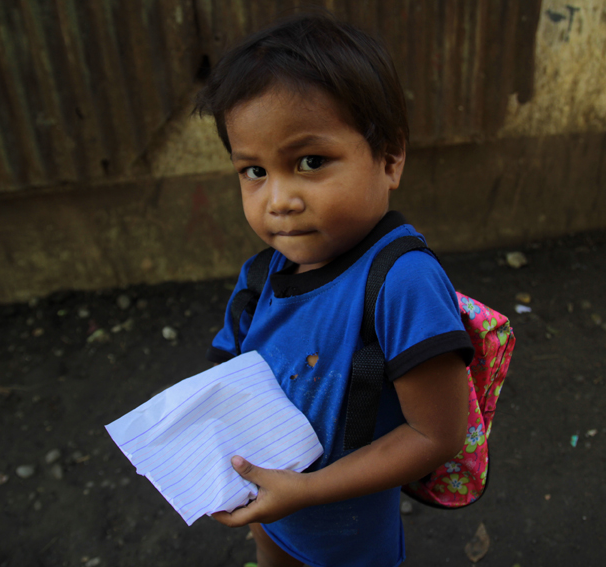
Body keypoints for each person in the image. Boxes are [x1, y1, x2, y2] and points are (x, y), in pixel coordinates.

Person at [195, 13, 473, 567]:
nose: (278, 199)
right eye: (253, 171)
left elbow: (436, 435)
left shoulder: (400, 283)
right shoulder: (262, 276)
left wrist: (310, 492)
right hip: (271, 512)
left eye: (310, 162)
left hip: (347, 536)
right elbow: (226, 373)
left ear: (390, 158)